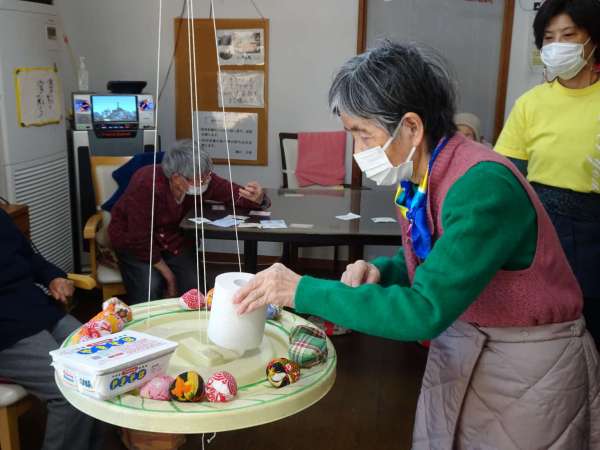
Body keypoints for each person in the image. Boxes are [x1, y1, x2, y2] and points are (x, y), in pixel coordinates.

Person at [232, 41, 600, 448]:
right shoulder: (423, 175)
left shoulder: (482, 184)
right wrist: (384, 270)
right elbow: (443, 262)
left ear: (411, 127)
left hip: (528, 365)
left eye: (363, 135)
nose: (357, 152)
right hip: (470, 343)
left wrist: (300, 289)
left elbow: (425, 309)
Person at [495, 0, 600, 343]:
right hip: (542, 227)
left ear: (593, 39)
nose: (557, 46)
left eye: (568, 35)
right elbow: (506, 177)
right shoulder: (531, 103)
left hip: (594, 229)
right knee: (547, 330)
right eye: (549, 38)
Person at [108, 139, 269, 303]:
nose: (205, 182)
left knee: (195, 287)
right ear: (176, 178)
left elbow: (234, 194)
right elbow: (139, 238)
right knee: (151, 287)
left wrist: (258, 198)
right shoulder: (146, 183)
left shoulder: (203, 179)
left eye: (207, 176)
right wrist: (170, 277)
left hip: (173, 240)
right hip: (135, 244)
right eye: (199, 179)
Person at [0, 208, 100, 450]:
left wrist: (53, 277)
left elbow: (29, 258)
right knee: (72, 386)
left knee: (102, 360)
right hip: (7, 331)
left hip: (36, 309)